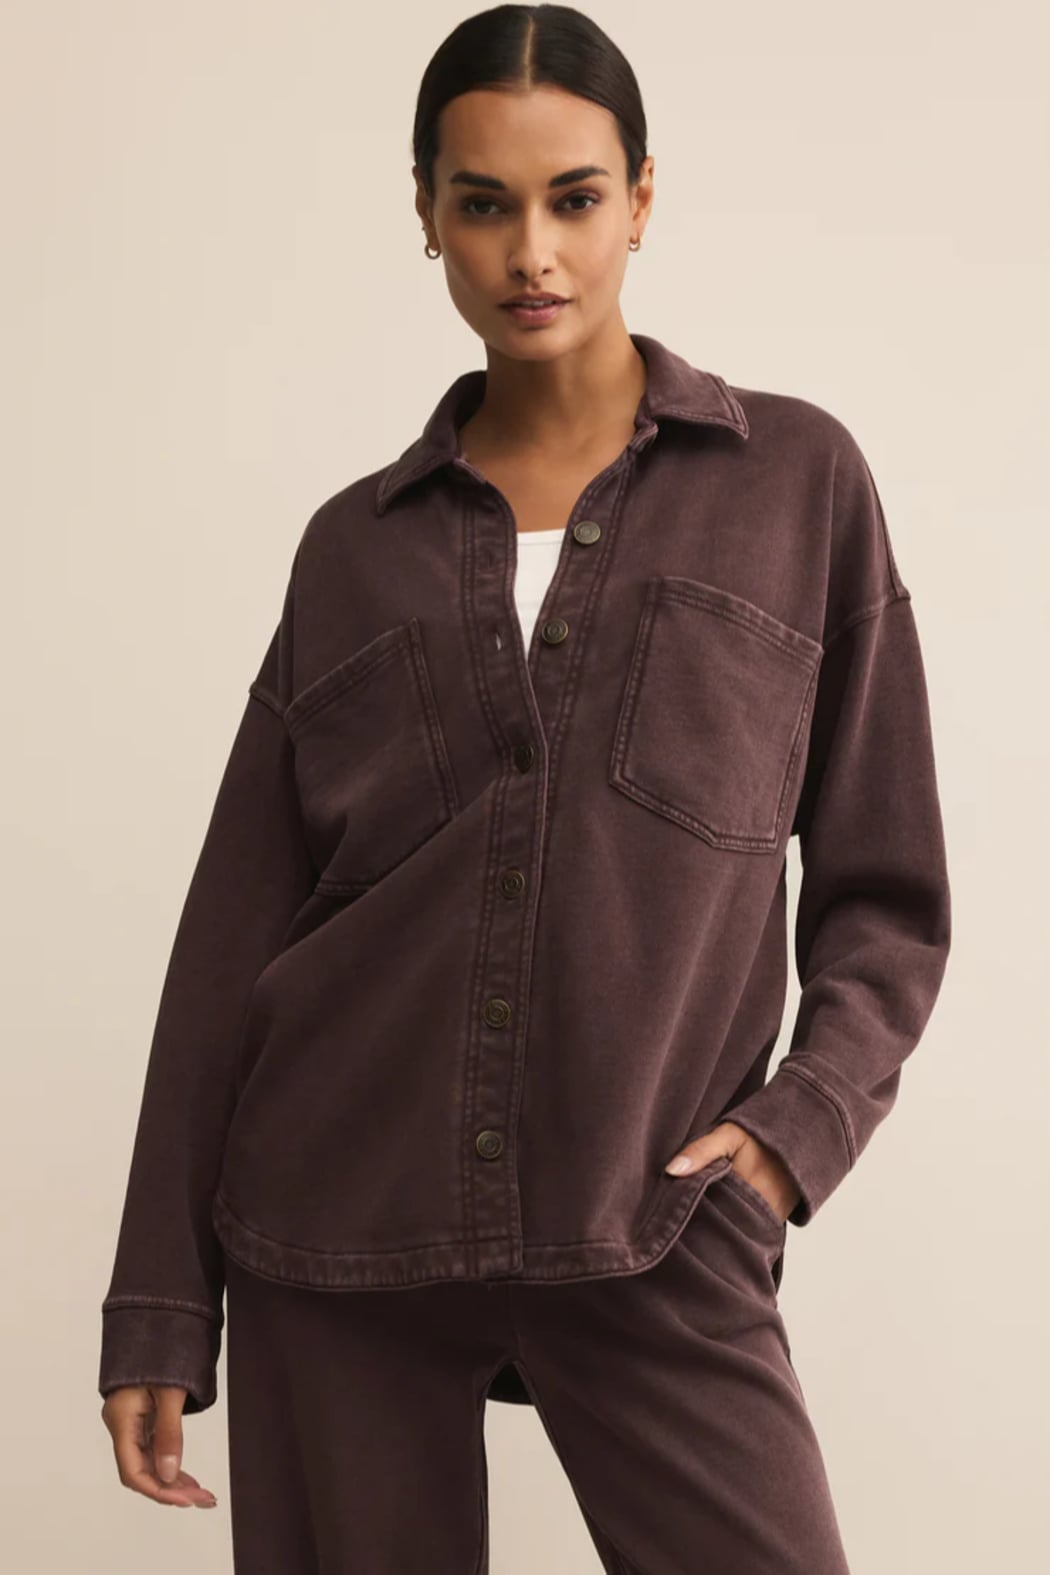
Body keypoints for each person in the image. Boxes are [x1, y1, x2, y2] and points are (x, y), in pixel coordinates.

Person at [98, 6, 952, 1571]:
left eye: (573, 197)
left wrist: (794, 1129)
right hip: (335, 1225)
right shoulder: (352, 549)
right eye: (483, 202)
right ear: (426, 214)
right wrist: (160, 1298)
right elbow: (232, 937)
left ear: (641, 199)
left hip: (655, 1210)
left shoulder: (796, 484)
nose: (531, 251)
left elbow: (885, 895)